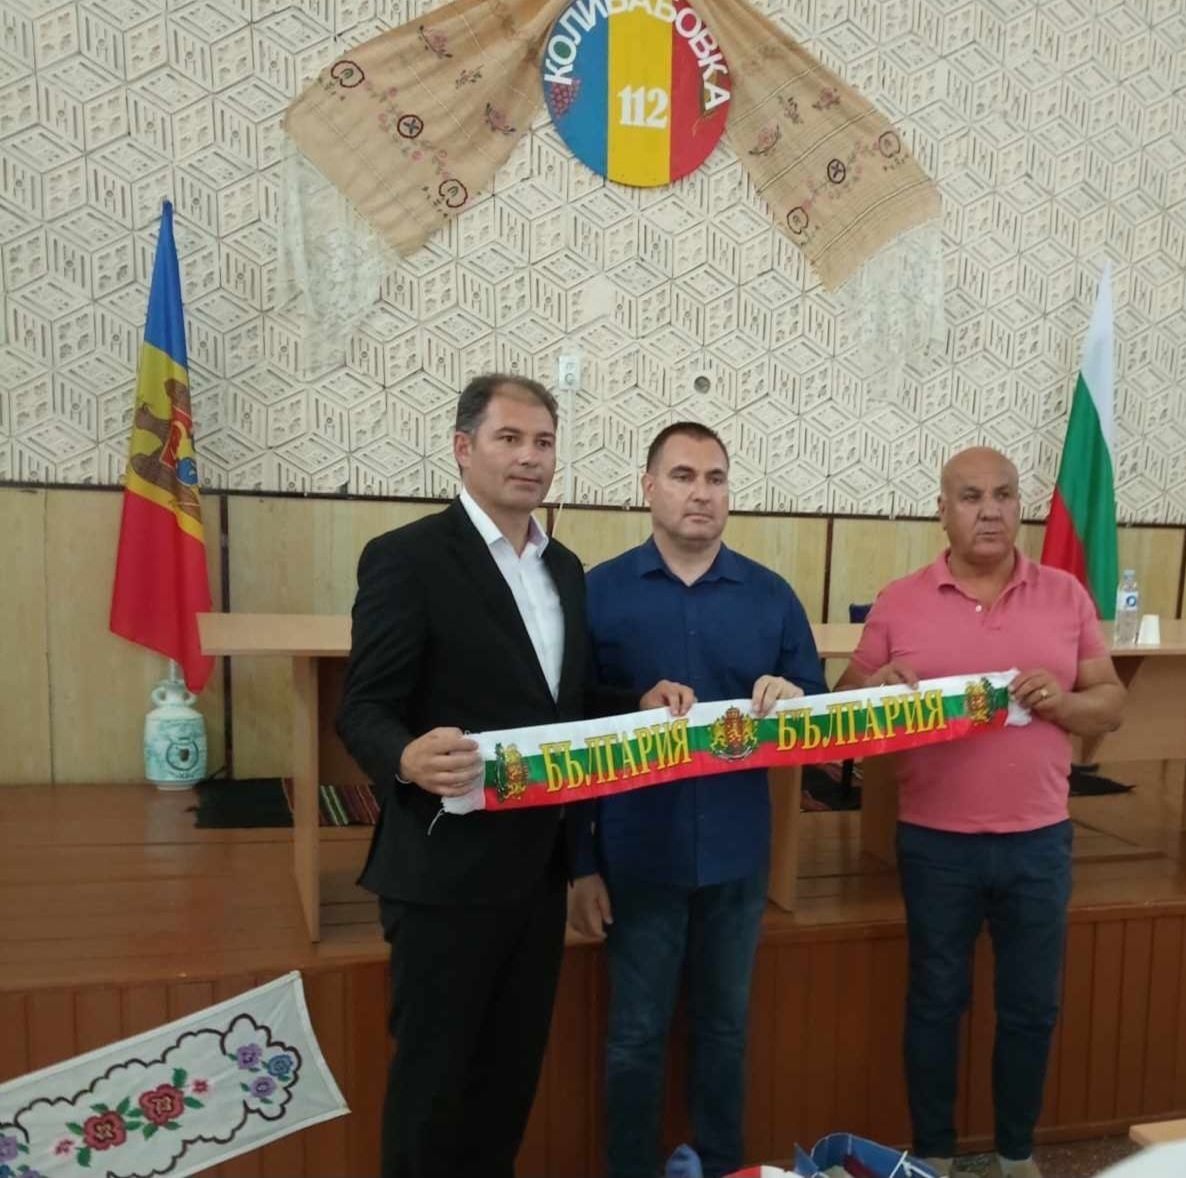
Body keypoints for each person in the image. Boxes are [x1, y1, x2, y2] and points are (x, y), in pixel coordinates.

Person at [336, 374, 690, 1178]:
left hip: (537, 871)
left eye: (543, 441)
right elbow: (362, 706)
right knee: (434, 1088)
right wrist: (404, 756)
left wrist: (634, 702)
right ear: (464, 448)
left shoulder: (564, 566)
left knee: (507, 1083)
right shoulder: (406, 558)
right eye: (509, 438)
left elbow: (561, 704)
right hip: (443, 870)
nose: (530, 457)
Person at [837, 447, 1126, 1178]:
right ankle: (933, 1151)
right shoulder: (901, 599)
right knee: (936, 1001)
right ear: (943, 510)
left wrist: (1063, 703)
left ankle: (1016, 1152)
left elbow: (1111, 702)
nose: (990, 510)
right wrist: (878, 689)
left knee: (1031, 1006)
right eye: (971, 496)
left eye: (1003, 495)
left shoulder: (1065, 594)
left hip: (1038, 841)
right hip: (936, 843)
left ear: (1020, 506)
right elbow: (843, 707)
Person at [569, 421, 828, 1178]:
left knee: (725, 1032)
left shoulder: (770, 596)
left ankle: (723, 1168)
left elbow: (818, 709)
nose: (701, 493)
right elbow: (569, 733)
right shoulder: (596, 593)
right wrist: (580, 863)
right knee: (635, 1036)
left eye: (715, 478)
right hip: (635, 855)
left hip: (736, 857)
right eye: (683, 476)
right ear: (648, 488)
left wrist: (795, 697)